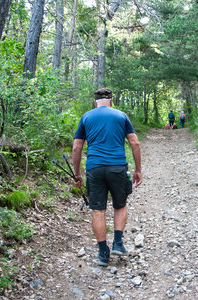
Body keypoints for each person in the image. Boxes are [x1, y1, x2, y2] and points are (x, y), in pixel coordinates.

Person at [72, 88, 142, 266]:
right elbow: (134, 142)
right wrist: (138, 170)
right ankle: (118, 242)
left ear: (94, 101)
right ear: (111, 101)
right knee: (120, 205)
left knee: (98, 210)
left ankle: (103, 253)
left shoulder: (86, 117)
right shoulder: (121, 116)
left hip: (94, 169)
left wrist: (77, 174)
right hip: (117, 167)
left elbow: (76, 148)